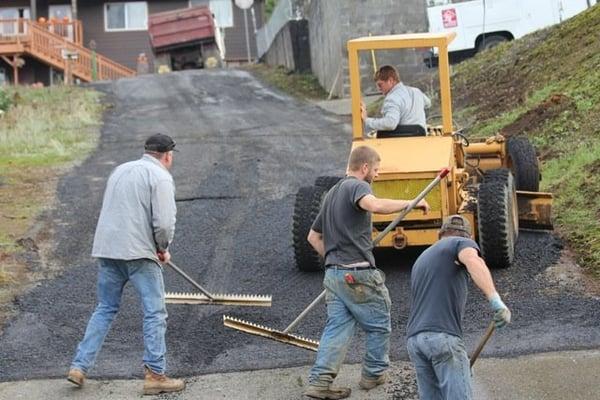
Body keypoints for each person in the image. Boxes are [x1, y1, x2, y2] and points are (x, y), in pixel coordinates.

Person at [303, 146, 430, 400]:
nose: (377, 175)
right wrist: (411, 203)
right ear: (364, 168)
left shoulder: (331, 195)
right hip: (358, 274)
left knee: (336, 329)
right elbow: (375, 205)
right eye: (375, 170)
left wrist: (332, 259)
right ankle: (373, 374)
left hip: (335, 276)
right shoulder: (356, 187)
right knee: (379, 320)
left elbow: (312, 237)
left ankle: (319, 382)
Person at [67, 133, 185, 396]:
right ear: (167, 155)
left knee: (105, 308)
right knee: (154, 312)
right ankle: (155, 374)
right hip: (139, 254)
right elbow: (164, 223)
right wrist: (162, 248)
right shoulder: (161, 177)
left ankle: (79, 366)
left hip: (108, 251)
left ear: (146, 152)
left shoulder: (120, 170)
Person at [406, 214, 512, 400]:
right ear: (469, 237)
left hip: (415, 341)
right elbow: (474, 261)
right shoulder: (462, 244)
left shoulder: (422, 258)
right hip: (442, 338)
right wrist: (495, 300)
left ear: (440, 235)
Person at [361, 65, 431, 137]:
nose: (379, 88)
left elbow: (390, 123)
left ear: (390, 80)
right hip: (422, 139)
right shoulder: (416, 91)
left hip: (401, 142)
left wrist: (367, 121)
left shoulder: (391, 99)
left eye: (380, 85)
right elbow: (428, 103)